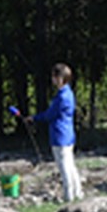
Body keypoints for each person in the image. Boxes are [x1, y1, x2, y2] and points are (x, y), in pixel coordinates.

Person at [27, 63, 82, 201]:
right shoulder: (69, 93)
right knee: (71, 165)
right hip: (68, 134)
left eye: (54, 76)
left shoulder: (61, 97)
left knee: (64, 167)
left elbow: (49, 115)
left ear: (60, 78)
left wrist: (34, 118)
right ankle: (78, 192)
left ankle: (68, 196)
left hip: (59, 135)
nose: (52, 79)